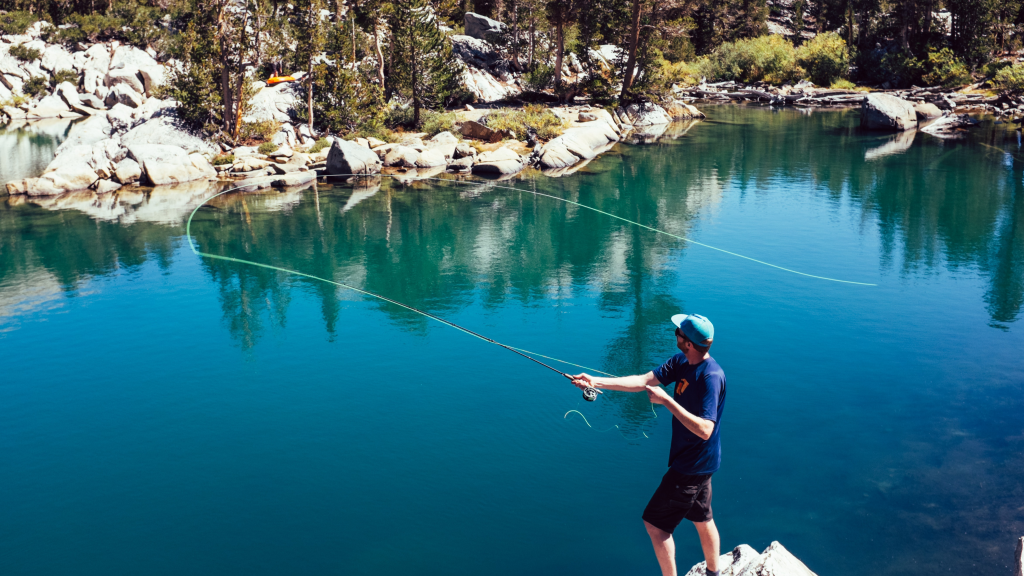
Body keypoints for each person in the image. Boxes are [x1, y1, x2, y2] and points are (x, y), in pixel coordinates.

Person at [572, 313, 726, 576]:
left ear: (688, 342)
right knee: (702, 517)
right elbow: (643, 381)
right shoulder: (682, 361)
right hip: (703, 463)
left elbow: (705, 430)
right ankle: (714, 572)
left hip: (691, 465)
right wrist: (595, 382)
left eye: (679, 332)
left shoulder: (710, 376)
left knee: (655, 526)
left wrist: (667, 401)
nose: (675, 334)